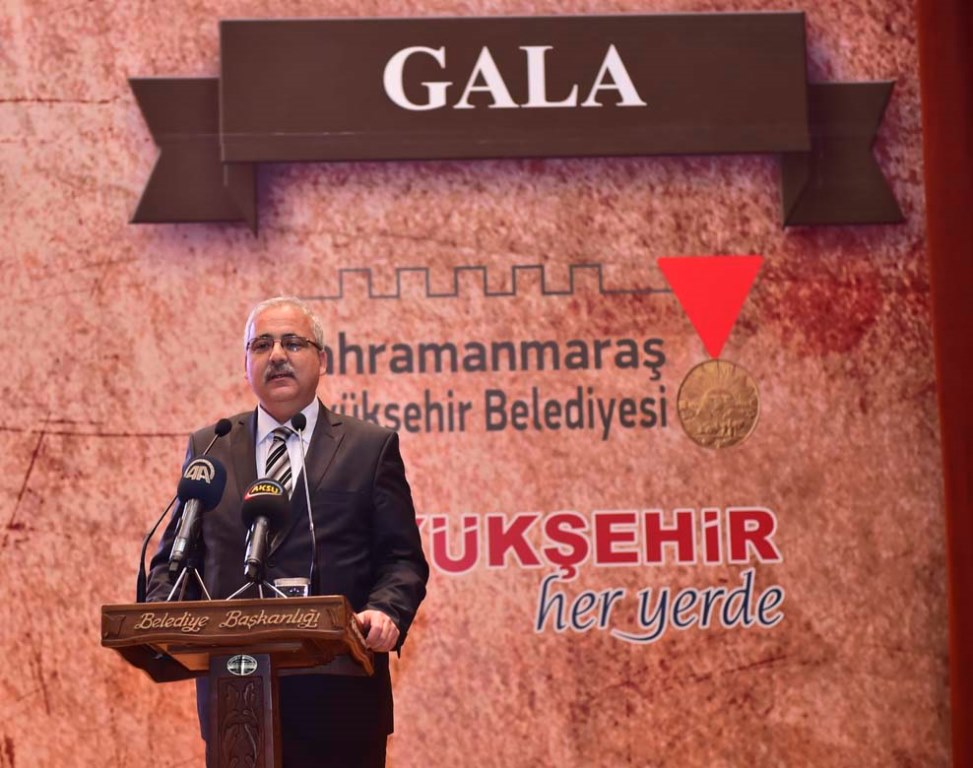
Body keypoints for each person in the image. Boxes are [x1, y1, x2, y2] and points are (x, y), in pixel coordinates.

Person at [147, 296, 429, 768]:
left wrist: (386, 611)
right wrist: (160, 616)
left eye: (292, 343)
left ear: (322, 360)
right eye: (261, 345)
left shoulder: (368, 447)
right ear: (246, 365)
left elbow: (402, 559)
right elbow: (176, 557)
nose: (276, 355)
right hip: (236, 698)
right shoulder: (211, 445)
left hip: (342, 698)